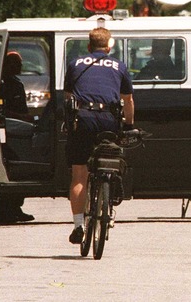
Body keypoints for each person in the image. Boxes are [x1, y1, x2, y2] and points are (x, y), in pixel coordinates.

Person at [64, 27, 134, 244]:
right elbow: (128, 100)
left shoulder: (75, 64)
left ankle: (78, 225)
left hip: (83, 119)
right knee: (110, 159)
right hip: (108, 121)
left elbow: (68, 97)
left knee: (79, 175)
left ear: (88, 46)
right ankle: (108, 201)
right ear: (109, 46)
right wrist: (129, 125)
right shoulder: (119, 66)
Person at [0, 51, 34, 224]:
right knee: (12, 164)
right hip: (6, 128)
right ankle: (1, 212)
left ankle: (15, 208)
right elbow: (0, 110)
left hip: (18, 126)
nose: (20, 66)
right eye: (15, 63)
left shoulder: (16, 83)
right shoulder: (0, 84)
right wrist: (22, 118)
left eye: (20, 63)